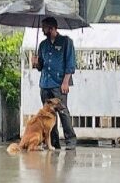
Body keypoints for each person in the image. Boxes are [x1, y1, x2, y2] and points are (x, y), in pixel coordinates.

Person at [31, 17, 77, 150]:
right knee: (48, 115)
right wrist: (36, 62)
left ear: (52, 28)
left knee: (63, 112)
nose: (42, 30)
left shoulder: (66, 42)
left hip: (59, 83)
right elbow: (40, 66)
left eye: (44, 27)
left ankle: (70, 140)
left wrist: (65, 82)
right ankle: (54, 142)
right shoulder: (43, 45)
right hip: (45, 84)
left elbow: (70, 63)